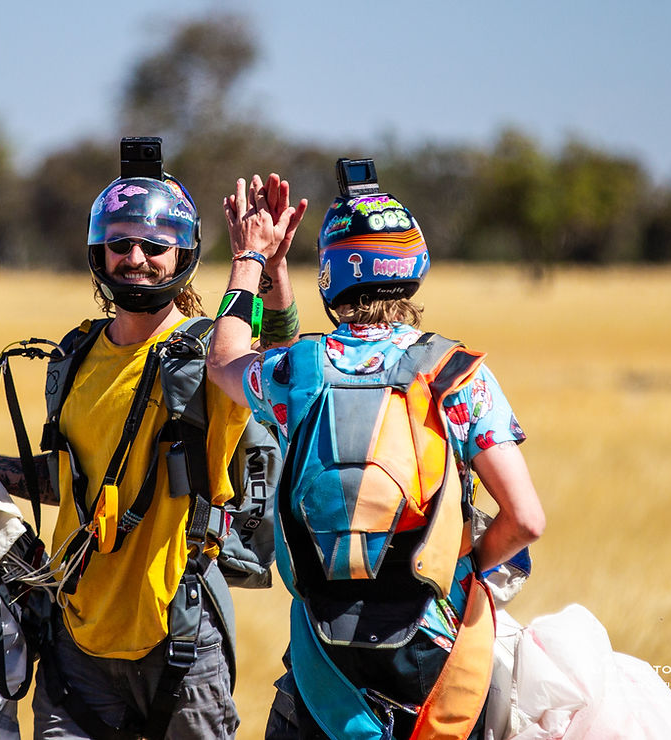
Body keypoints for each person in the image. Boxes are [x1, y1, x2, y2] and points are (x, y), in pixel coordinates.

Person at [206, 166, 546, 739]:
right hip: (436, 665)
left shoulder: (300, 372)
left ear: (330, 276)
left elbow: (223, 359)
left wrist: (252, 261)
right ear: (415, 266)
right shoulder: (454, 373)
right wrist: (453, 568)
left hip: (323, 669)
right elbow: (527, 520)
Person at [0, 141, 287, 739]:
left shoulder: (211, 357)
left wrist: (256, 263)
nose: (136, 257)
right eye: (121, 242)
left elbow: (278, 368)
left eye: (154, 245)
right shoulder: (73, 357)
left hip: (178, 645)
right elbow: (72, 479)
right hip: (76, 646)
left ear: (183, 256)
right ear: (99, 250)